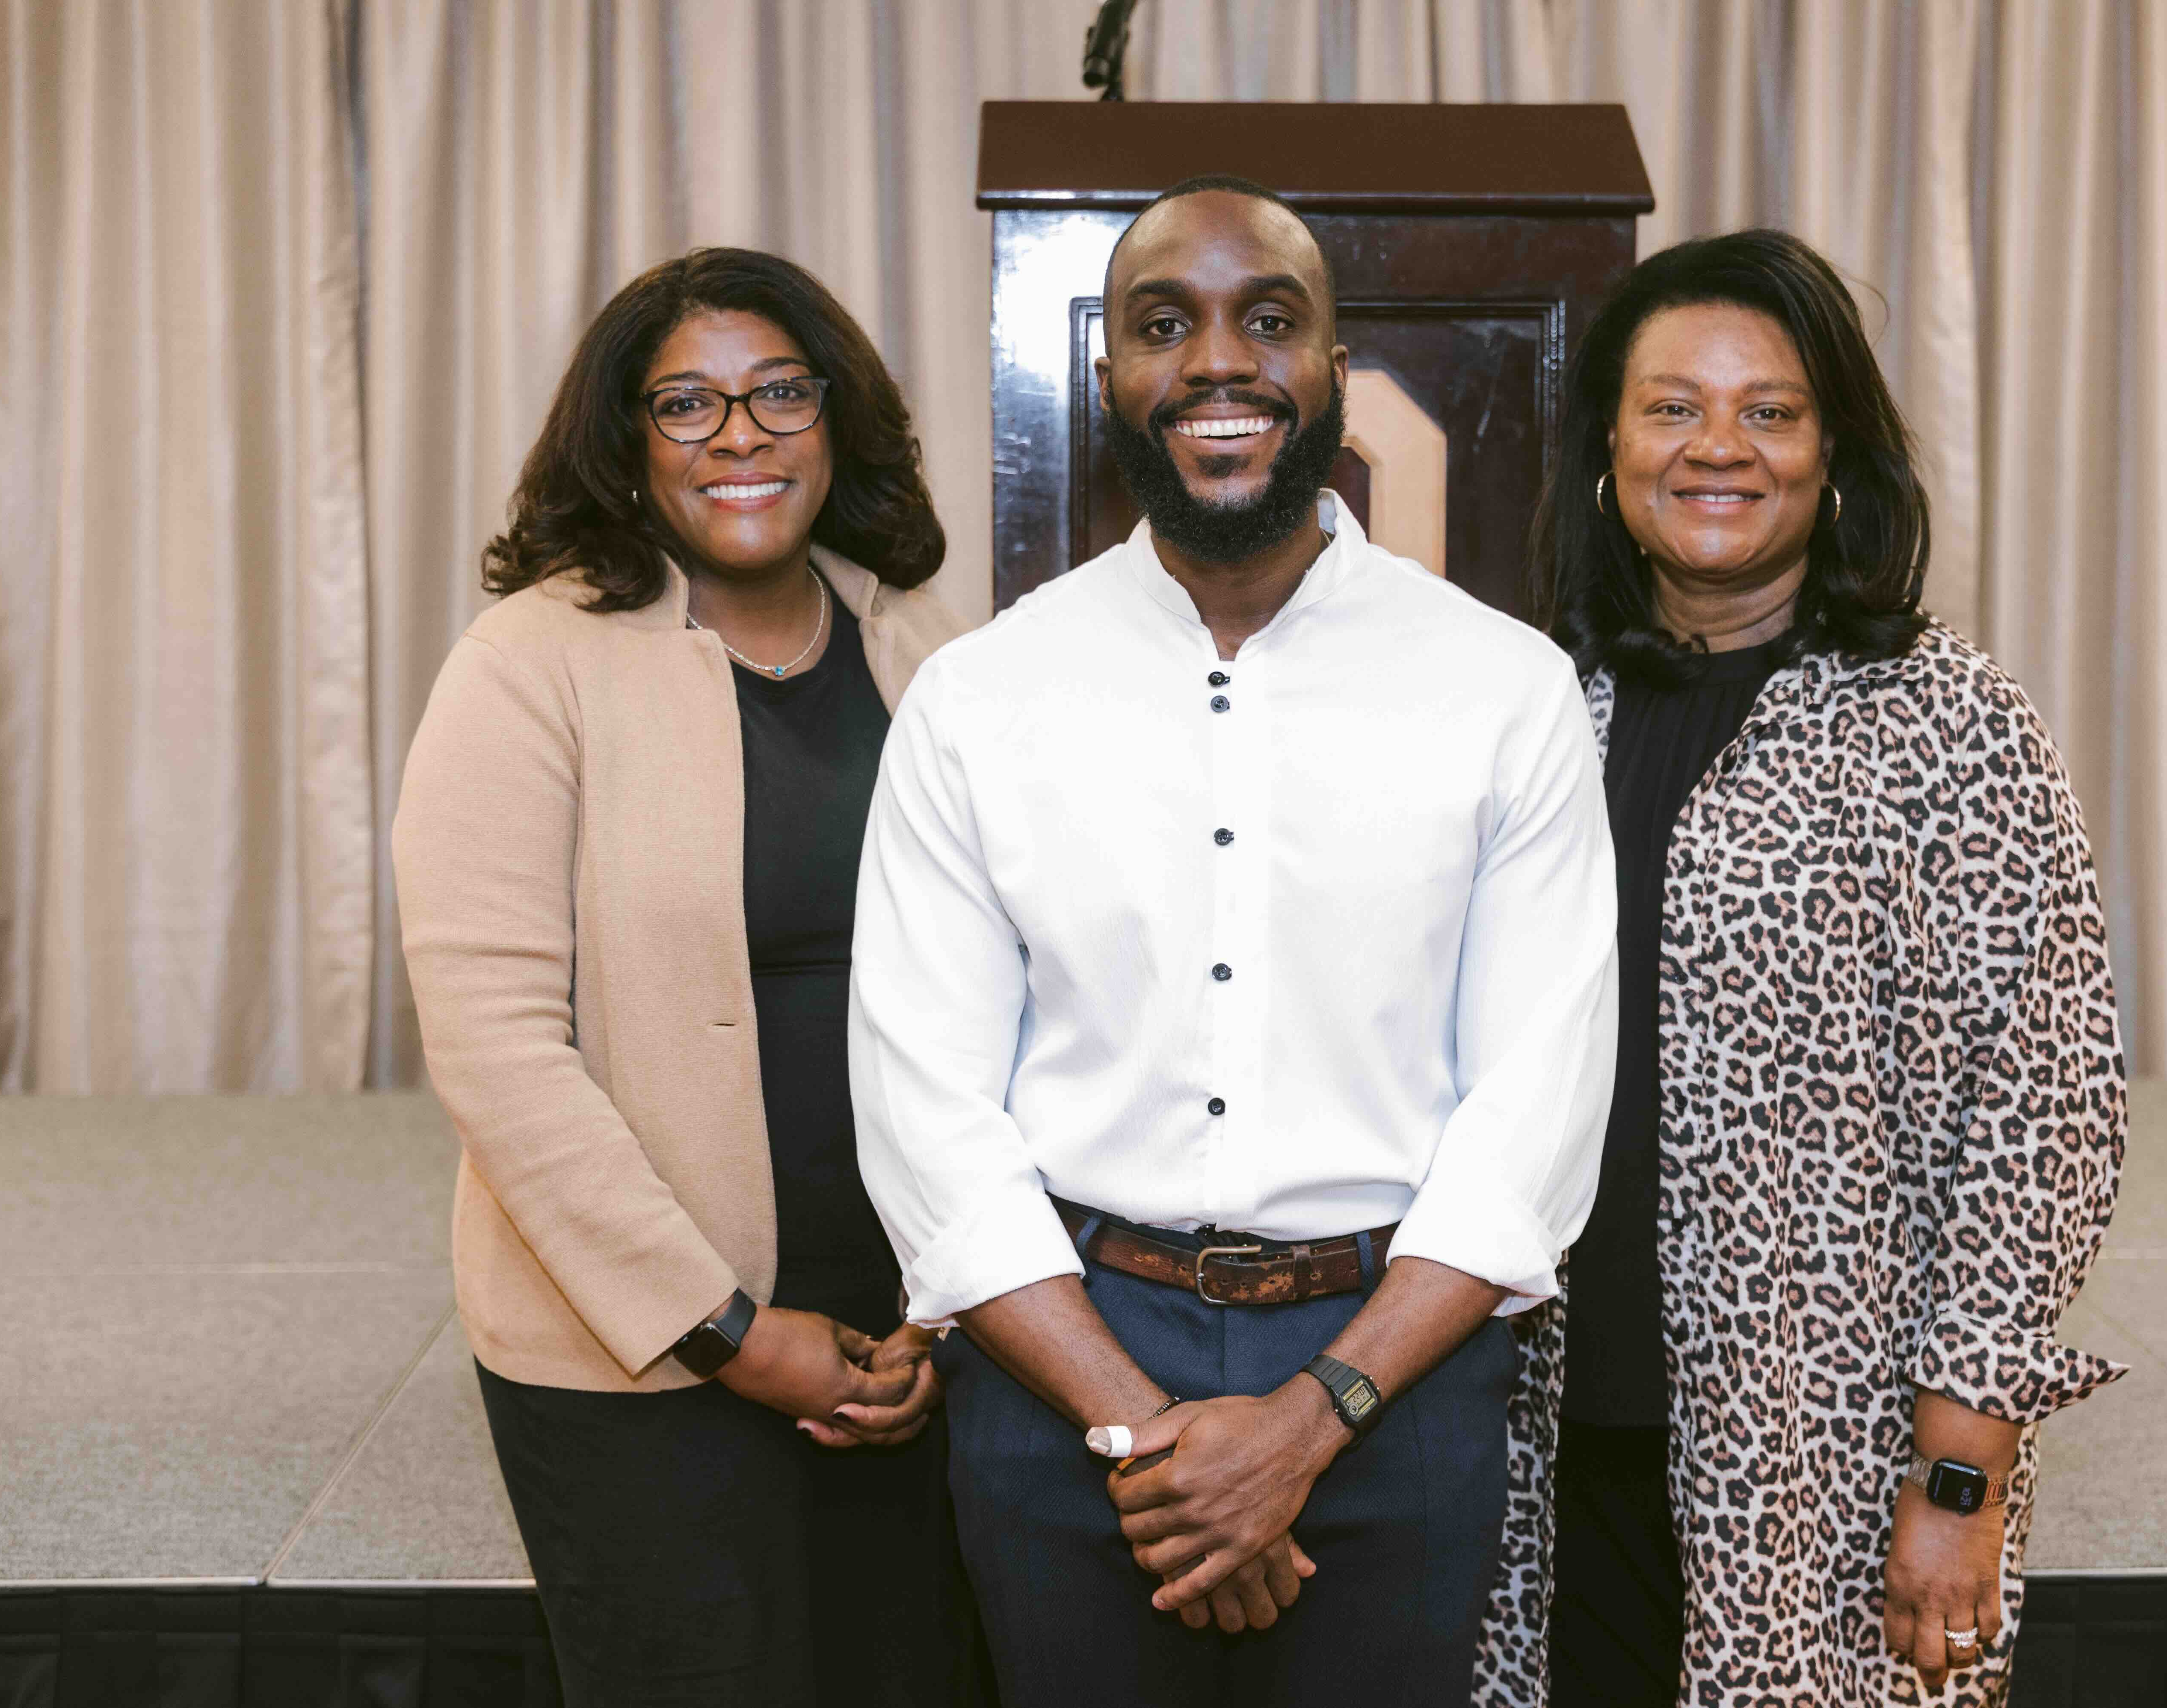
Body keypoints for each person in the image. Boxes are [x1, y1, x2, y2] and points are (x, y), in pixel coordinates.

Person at [847, 175, 1619, 1705]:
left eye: (1271, 320)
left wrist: (1313, 1415)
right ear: (1109, 379)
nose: (1218, 362)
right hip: (1059, 1360)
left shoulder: (1503, 688)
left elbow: (1532, 1113)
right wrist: (1149, 1437)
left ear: (1337, 370)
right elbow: (925, 1107)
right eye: (1162, 325)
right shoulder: (980, 700)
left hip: (1399, 1360)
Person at [1525, 228, 2128, 1708]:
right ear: (1609, 447)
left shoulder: (1951, 725)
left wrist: (1959, 1474)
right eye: (1671, 406)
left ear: (1834, 448)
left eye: (1769, 411)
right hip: (1545, 1435)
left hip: (1834, 1466)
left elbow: (2047, 1119)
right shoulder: (1541, 709)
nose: (1717, 446)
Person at [393, 247, 982, 1705]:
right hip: (644, 1354)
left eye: (779, 391)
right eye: (687, 405)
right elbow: (498, 1054)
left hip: (914, 1336)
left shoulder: (926, 649)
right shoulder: (531, 665)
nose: (740, 434)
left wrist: (952, 1304)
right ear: (626, 441)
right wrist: (727, 1332)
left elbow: (1015, 990)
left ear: (836, 416)